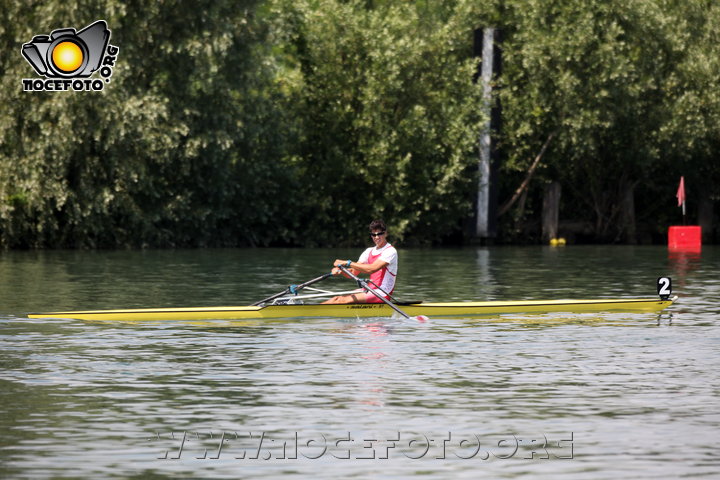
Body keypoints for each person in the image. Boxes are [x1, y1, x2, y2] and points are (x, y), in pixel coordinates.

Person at [322, 219, 398, 304]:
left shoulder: (390, 251)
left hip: (382, 293)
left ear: (385, 233)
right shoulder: (368, 251)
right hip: (369, 289)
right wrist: (340, 271)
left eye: (379, 234)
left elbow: (371, 269)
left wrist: (348, 262)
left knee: (340, 300)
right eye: (373, 234)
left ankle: (312, 314)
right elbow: (353, 272)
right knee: (336, 298)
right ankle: (311, 312)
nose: (376, 237)